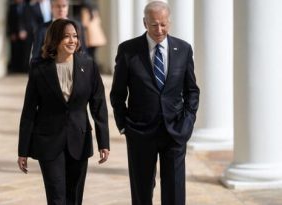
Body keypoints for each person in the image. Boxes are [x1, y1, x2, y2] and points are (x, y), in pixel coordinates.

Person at [110, 1, 200, 205]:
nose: (159, 30)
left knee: (175, 194)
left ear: (170, 22)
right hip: (140, 133)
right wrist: (124, 126)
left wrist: (187, 123)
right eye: (153, 25)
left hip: (175, 132)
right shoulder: (128, 50)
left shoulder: (183, 49)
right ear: (144, 23)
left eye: (163, 24)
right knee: (141, 193)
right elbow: (117, 94)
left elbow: (192, 91)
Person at [17, 18, 110, 205]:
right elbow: (29, 110)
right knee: (56, 198)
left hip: (79, 139)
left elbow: (98, 105)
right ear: (55, 39)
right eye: (66, 36)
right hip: (49, 141)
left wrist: (103, 142)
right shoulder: (39, 68)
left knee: (75, 198)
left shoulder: (88, 65)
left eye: (75, 36)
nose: (72, 40)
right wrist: (23, 150)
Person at [30, 0, 87, 65]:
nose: (61, 9)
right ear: (51, 8)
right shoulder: (42, 29)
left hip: (73, 69)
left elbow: (83, 52)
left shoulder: (77, 26)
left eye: (64, 6)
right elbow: (36, 55)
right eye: (58, 6)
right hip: (50, 70)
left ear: (67, 7)